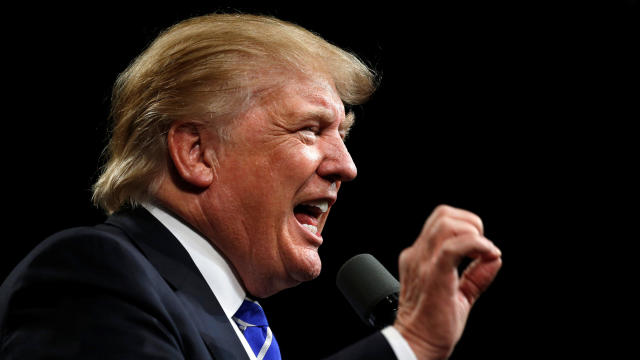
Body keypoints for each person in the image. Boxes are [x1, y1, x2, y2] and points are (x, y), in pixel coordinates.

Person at [0, 13, 502, 360]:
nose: (346, 167)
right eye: (310, 130)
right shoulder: (91, 275)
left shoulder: (236, 324)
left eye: (343, 136)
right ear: (197, 153)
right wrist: (408, 343)